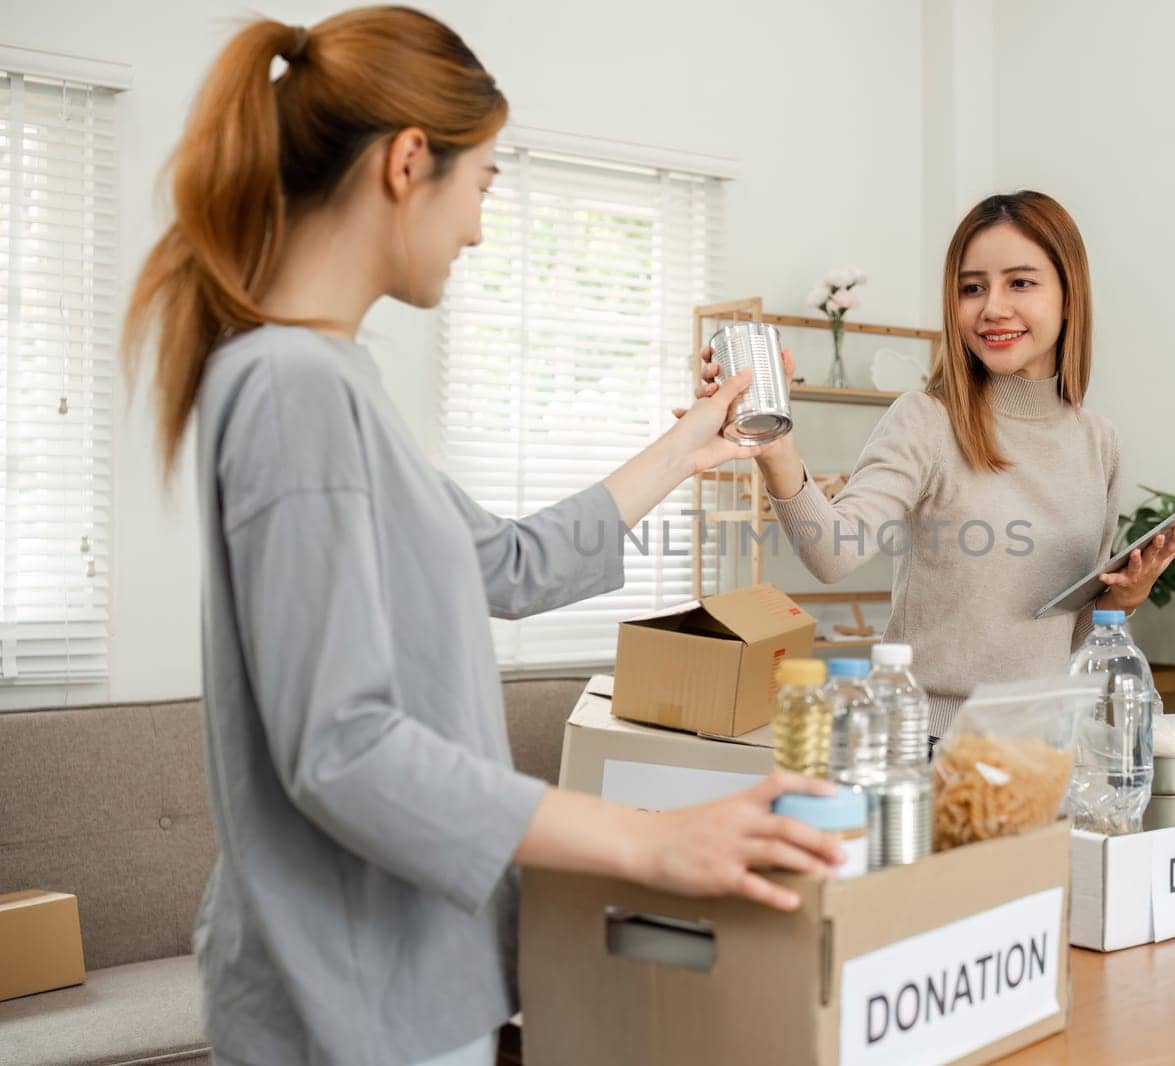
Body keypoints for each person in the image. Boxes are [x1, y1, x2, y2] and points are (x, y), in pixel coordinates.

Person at [121, 9, 839, 1065]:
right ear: (411, 162)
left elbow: (502, 565)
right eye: (486, 182)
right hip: (349, 997)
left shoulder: (328, 380)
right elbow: (342, 746)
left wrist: (682, 449)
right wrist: (649, 838)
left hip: (406, 981)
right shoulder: (294, 386)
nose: (478, 226)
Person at [695, 191, 1175, 737]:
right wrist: (774, 449)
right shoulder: (926, 420)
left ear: (1069, 296)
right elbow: (832, 552)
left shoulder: (1099, 441)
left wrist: (1127, 595)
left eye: (1020, 283)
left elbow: (1067, 632)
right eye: (971, 288)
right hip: (929, 743)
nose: (992, 308)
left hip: (1048, 744)